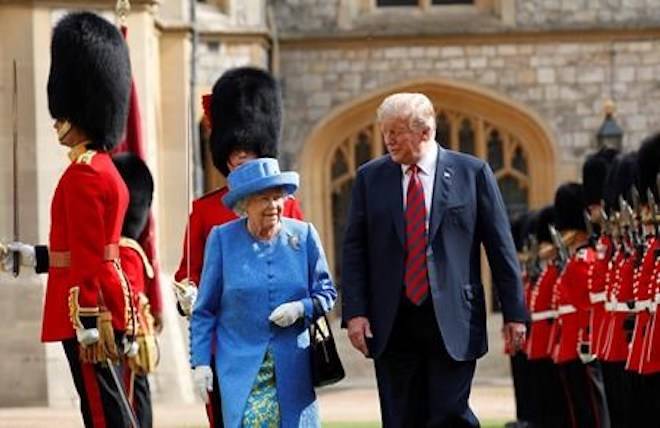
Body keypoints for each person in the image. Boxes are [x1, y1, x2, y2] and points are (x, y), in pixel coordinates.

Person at [341, 92, 527, 427]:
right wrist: (355, 312)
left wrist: (514, 313)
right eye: (385, 132)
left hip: (454, 316)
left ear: (425, 132)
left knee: (449, 416)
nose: (388, 140)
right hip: (392, 320)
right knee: (400, 418)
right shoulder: (370, 178)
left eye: (397, 132)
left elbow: (500, 248)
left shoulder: (473, 173)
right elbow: (354, 248)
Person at [1, 12, 135, 427]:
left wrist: (90, 320)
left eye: (61, 115)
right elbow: (78, 247)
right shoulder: (102, 170)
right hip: (94, 297)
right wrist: (30, 257)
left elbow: (90, 254)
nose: (56, 123)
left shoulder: (85, 175)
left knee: (100, 408)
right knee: (103, 403)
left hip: (84, 307)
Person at [172, 66, 303, 427]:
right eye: (233, 149)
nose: (239, 156)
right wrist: (188, 292)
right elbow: (189, 272)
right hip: (226, 341)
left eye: (247, 148)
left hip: (277, 339)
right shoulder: (204, 210)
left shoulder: (287, 206)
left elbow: (302, 268)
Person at [189, 157, 336, 428]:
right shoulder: (222, 239)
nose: (274, 206)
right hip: (240, 367)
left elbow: (326, 292)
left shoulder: (303, 236)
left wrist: (300, 309)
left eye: (277, 197)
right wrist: (200, 362)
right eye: (263, 199)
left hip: (293, 367)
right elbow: (205, 309)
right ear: (244, 205)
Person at [113, 152, 160, 428]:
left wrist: (130, 335)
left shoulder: (127, 251)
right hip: (130, 331)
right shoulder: (131, 249)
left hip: (129, 335)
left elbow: (127, 294)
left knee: (131, 398)